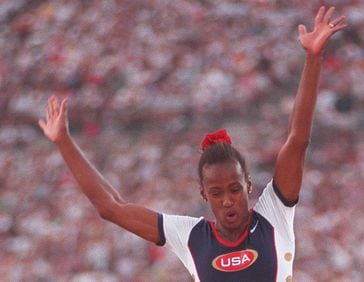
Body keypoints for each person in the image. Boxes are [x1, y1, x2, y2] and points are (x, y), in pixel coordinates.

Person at [38, 6, 347, 281]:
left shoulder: (273, 214)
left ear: (248, 186)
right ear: (203, 195)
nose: (227, 200)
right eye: (216, 192)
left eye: (234, 189)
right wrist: (63, 141)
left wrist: (313, 58)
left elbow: (297, 139)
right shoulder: (190, 236)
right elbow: (111, 207)